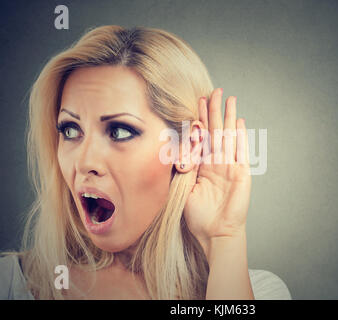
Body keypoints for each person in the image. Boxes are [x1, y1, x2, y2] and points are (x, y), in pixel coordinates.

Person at [0, 25, 291, 300]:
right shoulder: (11, 282)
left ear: (187, 146)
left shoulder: (251, 290)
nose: (84, 161)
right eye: (70, 130)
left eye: (119, 131)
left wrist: (224, 237)